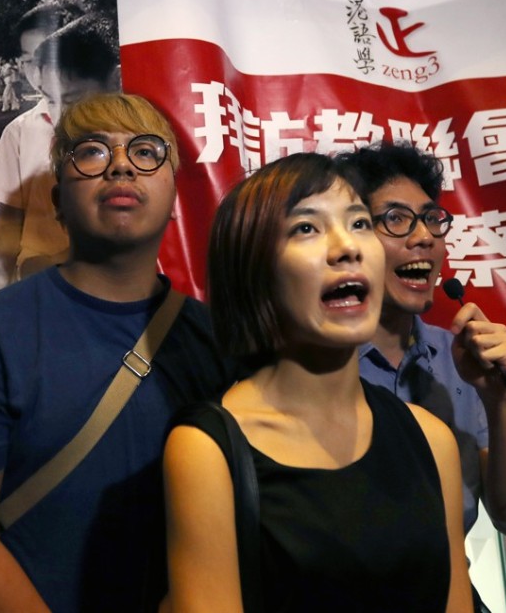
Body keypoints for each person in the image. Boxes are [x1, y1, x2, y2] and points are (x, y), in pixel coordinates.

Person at [0, 93, 236, 613]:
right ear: (58, 198)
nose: (120, 167)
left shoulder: (217, 342)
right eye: (91, 152)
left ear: (174, 193)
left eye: (146, 152)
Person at [164, 153, 472, 612]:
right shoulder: (208, 449)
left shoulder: (431, 439)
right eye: (306, 228)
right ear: (254, 271)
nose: (347, 247)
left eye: (360, 223)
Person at [337, 142, 506, 607]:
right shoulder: (317, 360)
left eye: (432, 219)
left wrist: (499, 397)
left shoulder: (458, 358)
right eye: (396, 220)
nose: (424, 237)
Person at [0, 10, 118, 289]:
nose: (61, 118)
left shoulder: (144, 149)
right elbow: (9, 224)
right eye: (51, 101)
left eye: (72, 99)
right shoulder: (21, 133)